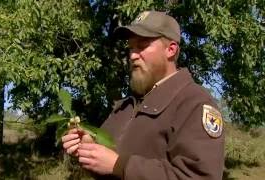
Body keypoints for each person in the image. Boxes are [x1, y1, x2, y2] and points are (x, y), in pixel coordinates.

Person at [62, 11, 225, 180]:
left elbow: (198, 177)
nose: (132, 55)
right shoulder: (125, 105)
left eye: (142, 45)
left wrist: (120, 165)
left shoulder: (194, 103)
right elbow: (107, 167)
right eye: (131, 47)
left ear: (170, 50)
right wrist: (88, 149)